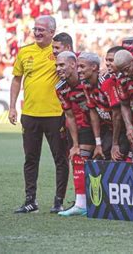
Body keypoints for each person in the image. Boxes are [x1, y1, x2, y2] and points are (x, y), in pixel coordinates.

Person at [10, 15, 69, 214]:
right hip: (30, 114)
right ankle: (30, 201)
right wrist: (12, 107)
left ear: (52, 32)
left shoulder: (59, 53)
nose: (37, 32)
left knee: (60, 158)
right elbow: (17, 79)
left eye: (41, 29)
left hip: (55, 114)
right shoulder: (25, 52)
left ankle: (59, 201)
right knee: (30, 158)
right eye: (35, 29)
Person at [55, 51, 93, 216]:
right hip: (80, 128)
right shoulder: (60, 88)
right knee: (77, 158)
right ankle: (81, 203)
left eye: (61, 65)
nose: (58, 68)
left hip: (102, 126)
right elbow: (69, 115)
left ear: (73, 64)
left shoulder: (88, 82)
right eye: (56, 65)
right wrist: (75, 144)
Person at [78, 52, 127, 161]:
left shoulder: (106, 83)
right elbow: (93, 114)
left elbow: (117, 114)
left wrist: (115, 144)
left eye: (82, 66)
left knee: (117, 157)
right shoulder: (86, 85)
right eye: (78, 67)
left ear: (94, 67)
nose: (78, 70)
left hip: (124, 129)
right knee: (100, 157)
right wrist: (98, 143)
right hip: (110, 129)